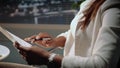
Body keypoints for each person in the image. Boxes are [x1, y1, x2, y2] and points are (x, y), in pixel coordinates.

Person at [13, 0, 120, 68]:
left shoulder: (114, 8)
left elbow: (103, 64)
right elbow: (76, 33)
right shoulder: (90, 3)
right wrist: (54, 41)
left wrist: (47, 58)